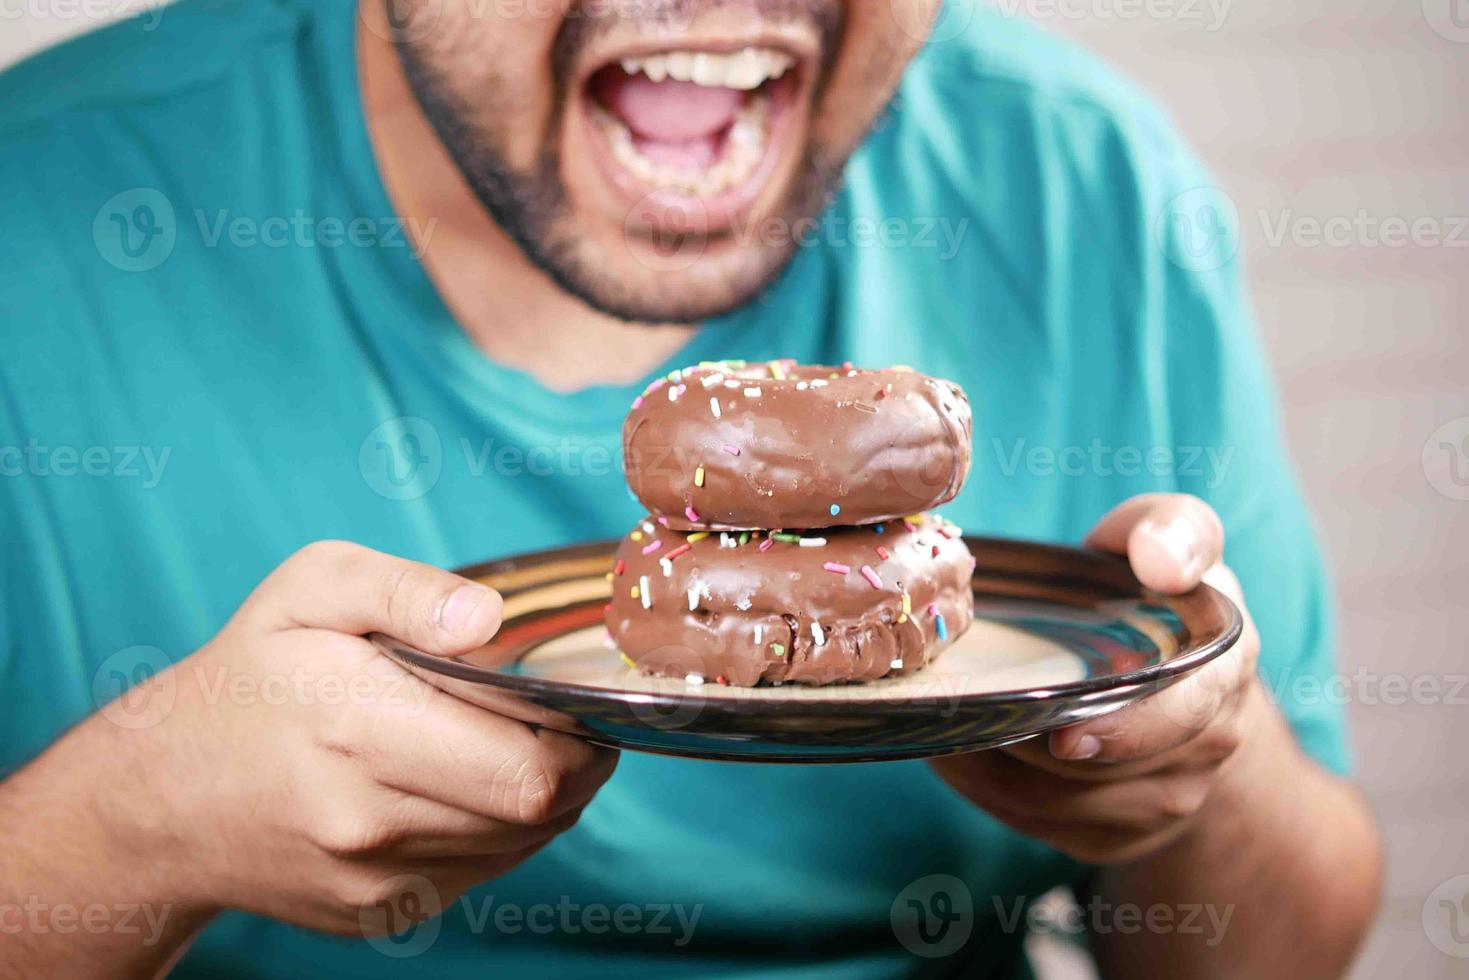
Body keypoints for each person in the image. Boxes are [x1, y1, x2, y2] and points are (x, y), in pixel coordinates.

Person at [0, 1, 1381, 976]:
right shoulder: (42, 220)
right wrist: (122, 835)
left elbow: (1290, 949)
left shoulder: (1083, 187)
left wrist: (1199, 758)